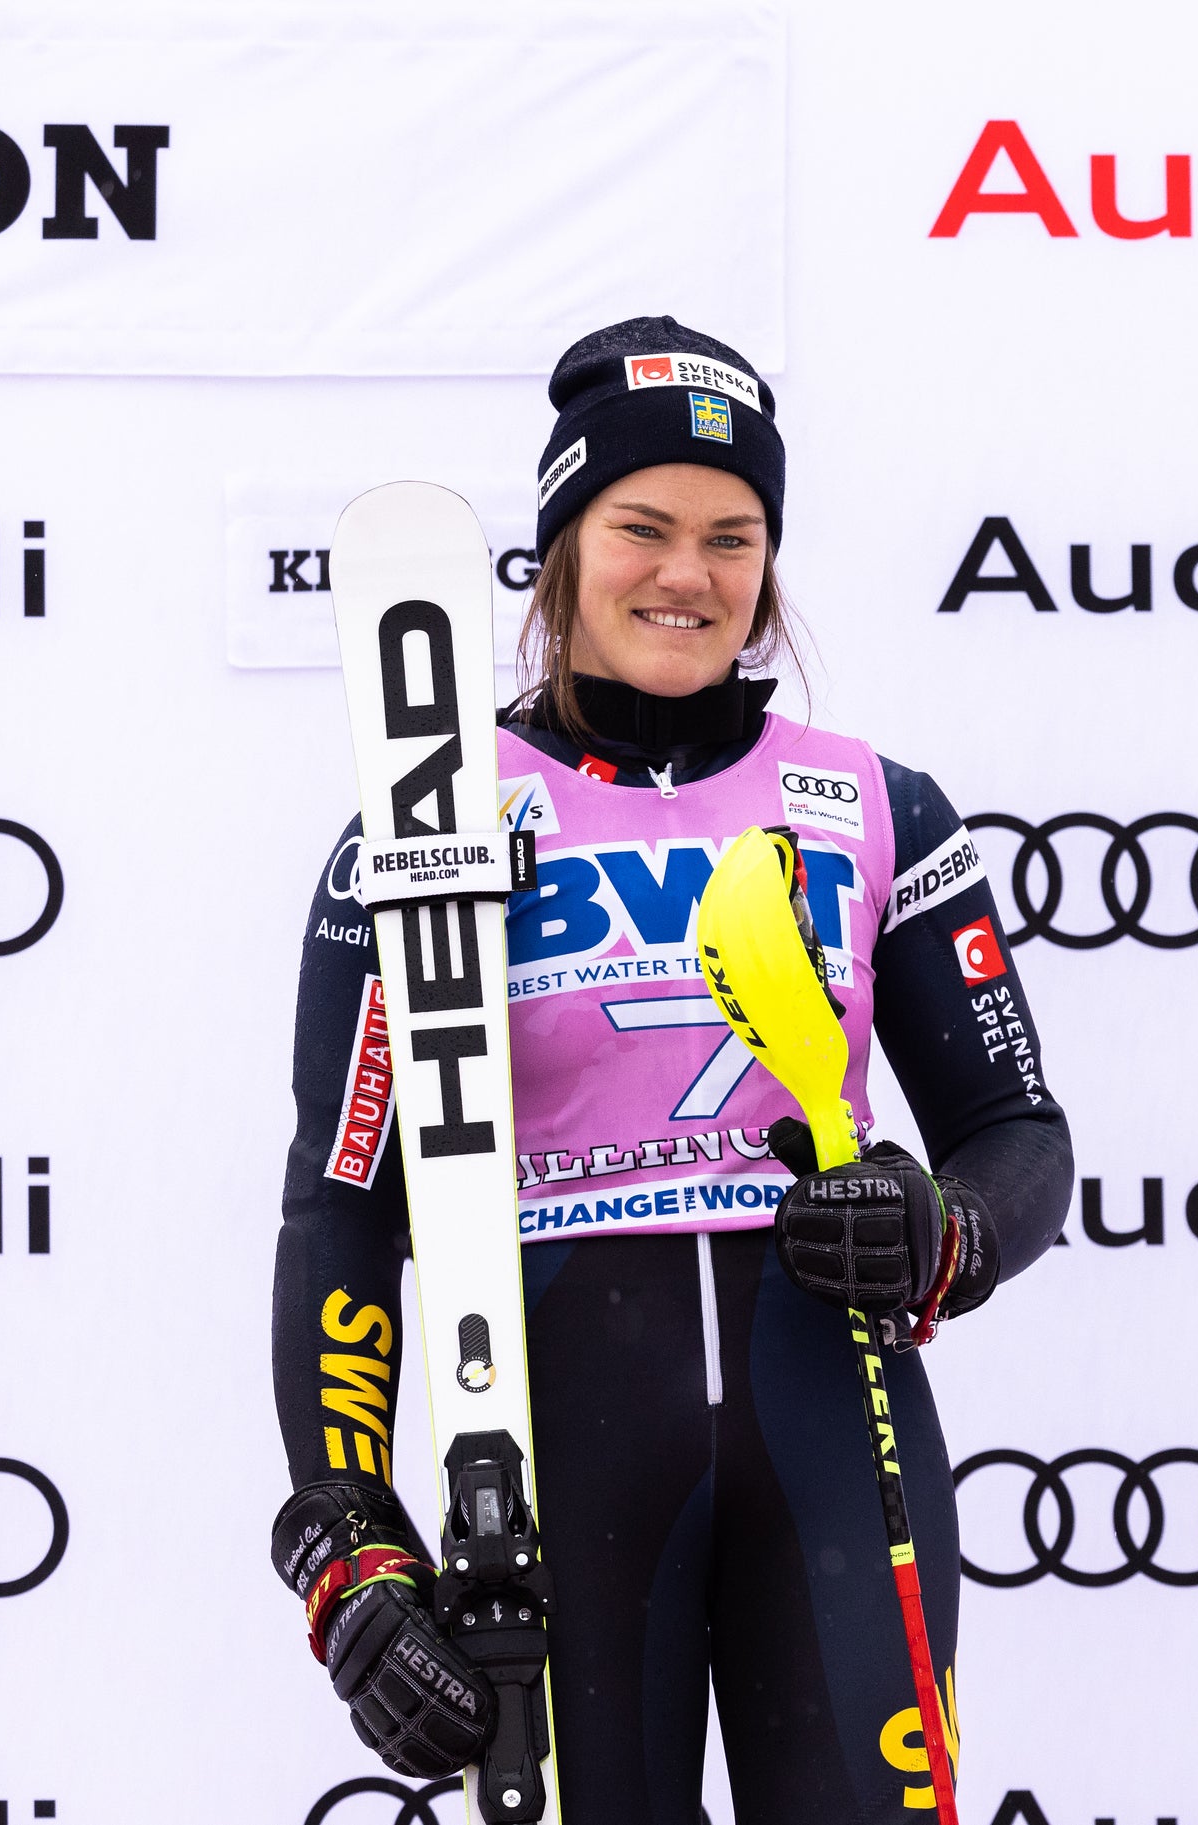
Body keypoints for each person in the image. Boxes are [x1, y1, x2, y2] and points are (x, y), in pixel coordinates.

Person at [267, 317, 1071, 1821]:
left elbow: (1018, 1134)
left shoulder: (873, 806)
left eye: (732, 535)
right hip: (571, 1450)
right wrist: (349, 1544)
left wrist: (939, 1228)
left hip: (835, 1438)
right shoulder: (428, 820)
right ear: (563, 552)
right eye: (641, 526)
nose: (687, 573)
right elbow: (341, 1214)